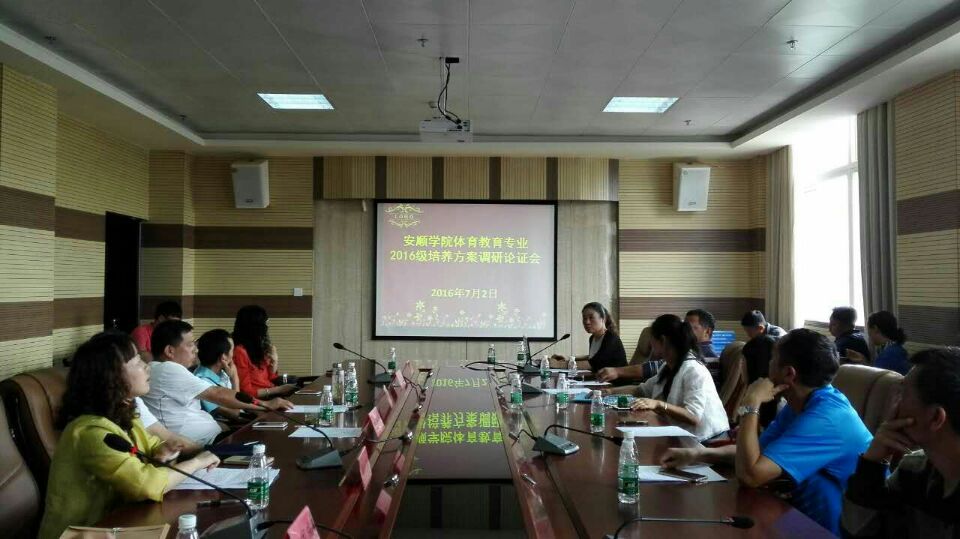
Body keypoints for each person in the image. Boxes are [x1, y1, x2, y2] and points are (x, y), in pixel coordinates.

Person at [660, 329, 873, 534]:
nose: (768, 365)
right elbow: (758, 453)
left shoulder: (825, 418)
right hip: (802, 514)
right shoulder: (802, 403)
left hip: (835, 529)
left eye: (772, 360)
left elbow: (751, 475)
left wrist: (751, 404)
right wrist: (698, 454)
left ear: (789, 373)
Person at [38, 332, 220, 539]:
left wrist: (162, 455)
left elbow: (153, 448)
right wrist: (197, 462)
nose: (146, 366)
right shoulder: (91, 432)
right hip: (80, 534)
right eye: (136, 362)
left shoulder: (125, 415)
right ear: (111, 376)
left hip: (118, 526)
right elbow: (147, 485)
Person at [842, 347, 960, 537]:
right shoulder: (913, 470)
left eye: (902, 394)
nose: (892, 405)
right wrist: (871, 465)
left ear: (935, 418)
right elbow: (856, 532)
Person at [142, 320, 293, 445]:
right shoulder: (167, 369)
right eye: (189, 345)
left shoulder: (162, 370)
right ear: (170, 351)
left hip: (212, 437)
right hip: (202, 445)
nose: (195, 350)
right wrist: (266, 404)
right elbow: (217, 394)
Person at [625, 314, 729, 441]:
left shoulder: (694, 370)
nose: (650, 344)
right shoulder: (668, 366)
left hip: (708, 441)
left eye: (652, 339)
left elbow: (693, 416)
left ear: (663, 340)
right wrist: (607, 392)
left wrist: (658, 404)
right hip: (684, 436)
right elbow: (641, 390)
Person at [232, 305, 298, 399]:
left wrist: (274, 362)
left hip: (271, 393)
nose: (266, 327)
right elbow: (246, 392)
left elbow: (270, 378)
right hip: (259, 399)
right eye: (265, 323)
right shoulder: (239, 351)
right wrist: (279, 390)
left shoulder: (257, 347)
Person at [550, 302, 626, 373]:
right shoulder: (592, 338)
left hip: (615, 381)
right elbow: (593, 357)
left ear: (603, 319)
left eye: (591, 317)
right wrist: (568, 358)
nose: (587, 322)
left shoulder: (611, 337)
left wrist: (559, 364)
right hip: (599, 379)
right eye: (584, 318)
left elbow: (593, 364)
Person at [195, 329, 243, 421]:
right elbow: (234, 413)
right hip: (226, 426)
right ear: (223, 357)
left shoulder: (223, 371)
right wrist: (234, 379)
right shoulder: (202, 382)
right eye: (232, 350)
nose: (233, 355)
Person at [847, 311, 910, 375]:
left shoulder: (888, 355)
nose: (869, 337)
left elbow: (873, 377)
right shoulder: (896, 348)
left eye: (869, 332)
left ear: (875, 328)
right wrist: (863, 361)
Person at [741, 334, 778, 427]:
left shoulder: (756, 397)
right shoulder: (752, 391)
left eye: (742, 361)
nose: (740, 367)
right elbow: (742, 417)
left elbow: (743, 422)